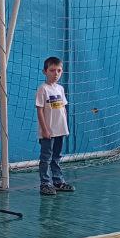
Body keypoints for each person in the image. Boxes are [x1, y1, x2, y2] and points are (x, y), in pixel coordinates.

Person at [36, 56, 75, 196]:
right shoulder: (43, 89)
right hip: (48, 132)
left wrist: (65, 127)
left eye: (59, 70)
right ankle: (45, 184)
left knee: (57, 157)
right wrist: (45, 129)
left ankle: (58, 182)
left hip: (60, 131)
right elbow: (40, 110)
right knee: (46, 158)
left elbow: (63, 109)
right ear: (45, 71)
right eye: (52, 70)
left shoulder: (60, 89)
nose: (56, 74)